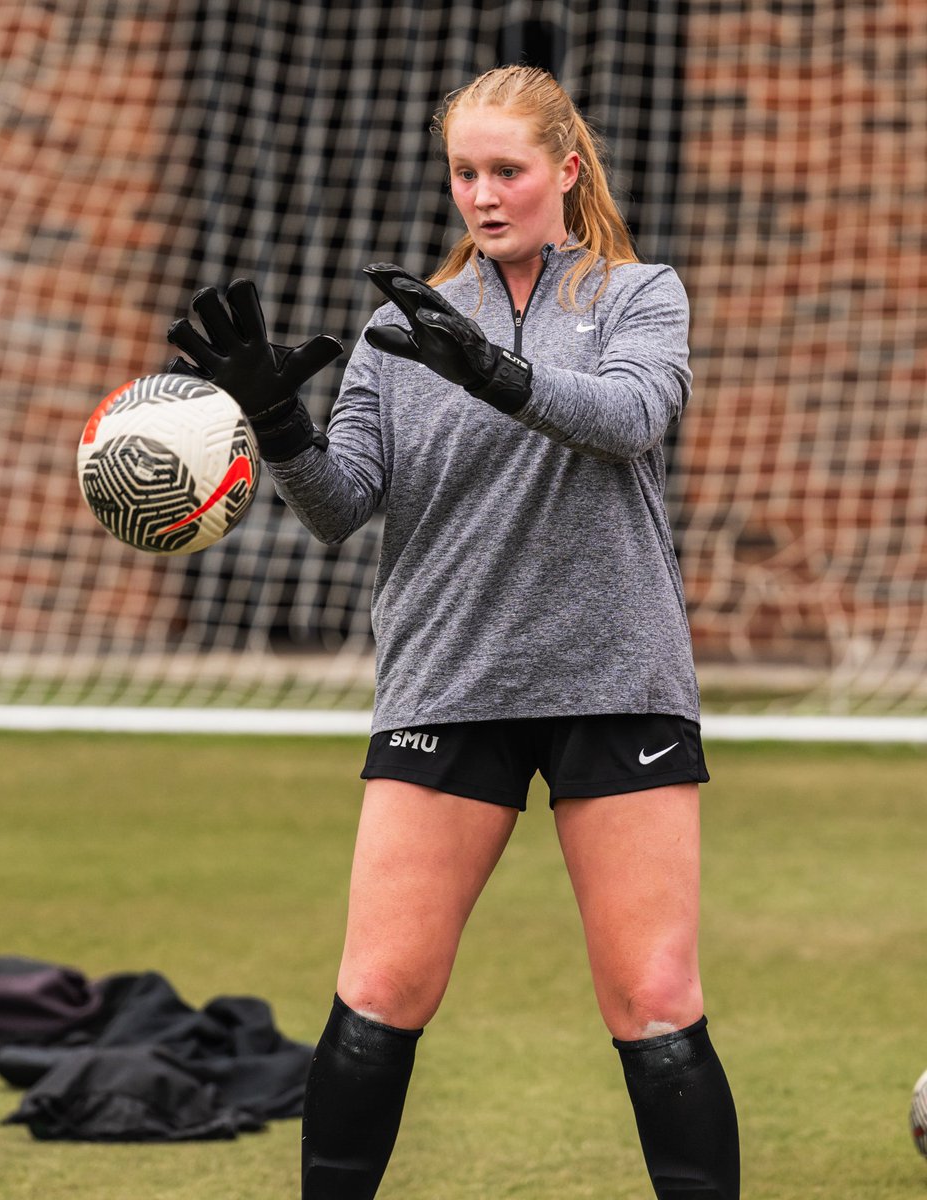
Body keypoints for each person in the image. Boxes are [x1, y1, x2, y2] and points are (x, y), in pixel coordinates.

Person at [166, 64, 740, 1200]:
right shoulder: (400, 328)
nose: (482, 195)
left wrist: (497, 374)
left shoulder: (637, 295)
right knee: (380, 992)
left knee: (654, 1001)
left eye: (505, 171)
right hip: (447, 679)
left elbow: (632, 416)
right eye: (464, 173)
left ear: (565, 172)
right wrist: (275, 421)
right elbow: (340, 507)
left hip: (615, 677)